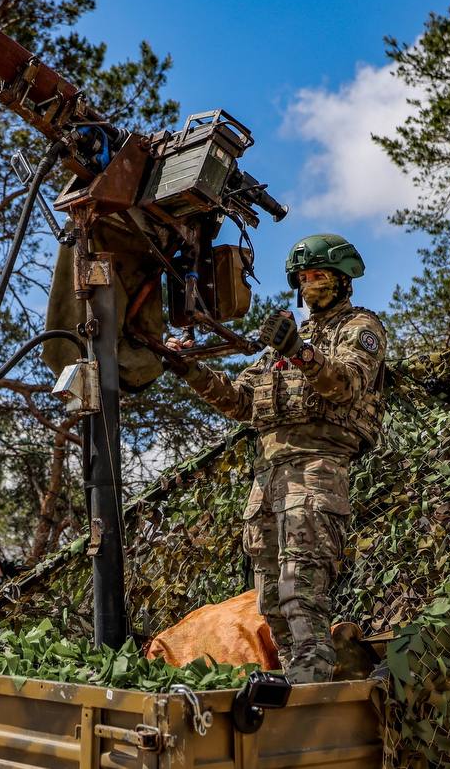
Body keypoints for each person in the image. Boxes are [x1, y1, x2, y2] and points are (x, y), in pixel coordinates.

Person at [165, 233, 386, 682]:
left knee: (301, 587)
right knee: (268, 596)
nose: (311, 285)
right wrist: (189, 369)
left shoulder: (360, 329)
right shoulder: (280, 346)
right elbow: (241, 401)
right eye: (303, 277)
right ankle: (295, 673)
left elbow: (343, 384)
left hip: (316, 468)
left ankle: (314, 678)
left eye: (319, 275)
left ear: (344, 279)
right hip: (268, 476)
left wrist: (300, 354)